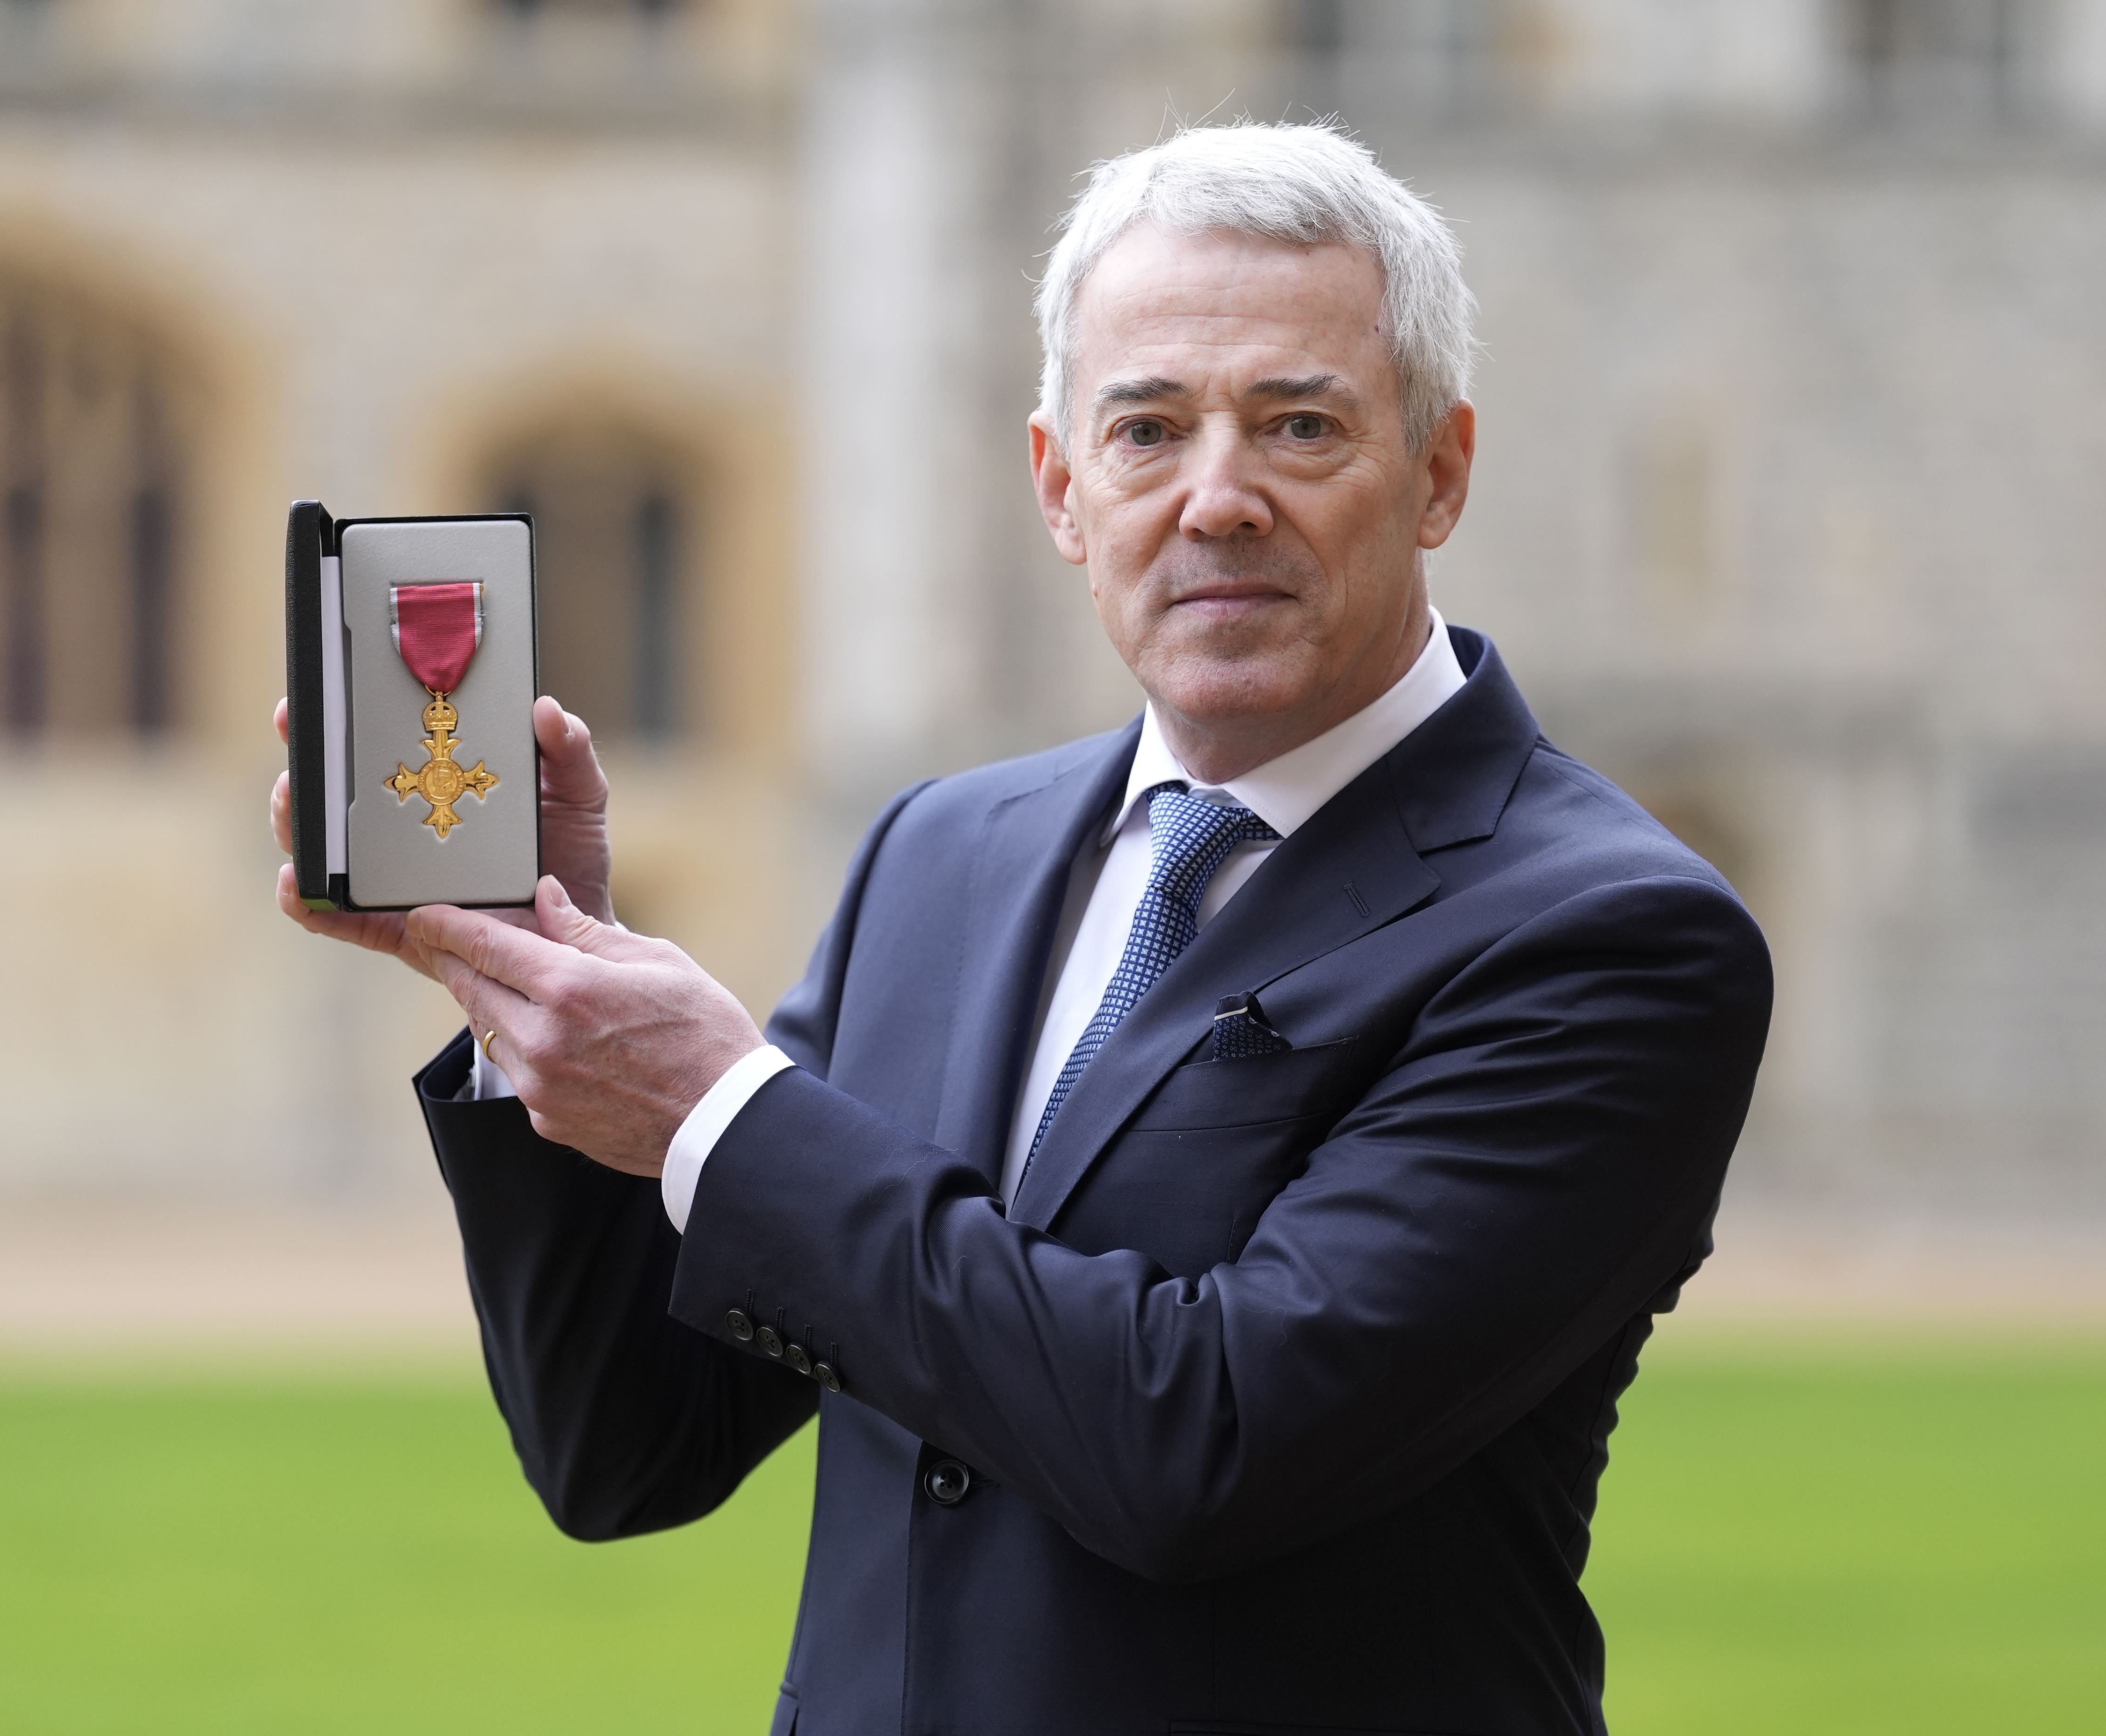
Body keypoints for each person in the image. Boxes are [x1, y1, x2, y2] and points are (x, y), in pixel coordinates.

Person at [273, 122, 1770, 1736]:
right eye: (1147, 429)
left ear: (1442, 472)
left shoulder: (1613, 935)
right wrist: (532, 985)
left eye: (1300, 425)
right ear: (1064, 488)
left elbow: (1204, 1445)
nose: (1218, 500)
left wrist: (718, 1108)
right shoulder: (945, 852)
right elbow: (632, 1446)